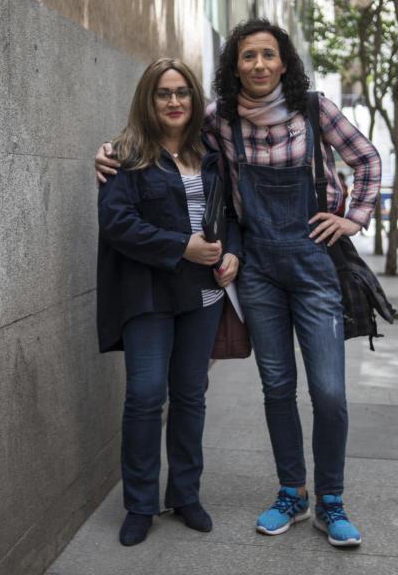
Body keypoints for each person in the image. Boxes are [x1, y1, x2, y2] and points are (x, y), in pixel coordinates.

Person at [97, 19, 382, 548]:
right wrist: (110, 151)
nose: (258, 66)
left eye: (267, 55)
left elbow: (366, 159)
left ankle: (332, 501)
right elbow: (161, 130)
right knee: (276, 388)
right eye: (247, 56)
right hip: (258, 275)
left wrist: (354, 218)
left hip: (313, 267)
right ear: (234, 65)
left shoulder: (315, 110)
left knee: (329, 392)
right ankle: (292, 494)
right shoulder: (219, 120)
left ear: (283, 61)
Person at [96, 58, 242, 546]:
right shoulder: (126, 155)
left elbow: (233, 217)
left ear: (194, 99)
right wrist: (182, 246)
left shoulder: (213, 155)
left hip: (203, 295)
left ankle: (185, 494)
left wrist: (231, 256)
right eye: (164, 93)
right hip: (150, 295)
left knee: (190, 396)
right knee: (144, 397)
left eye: (182, 92)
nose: (174, 101)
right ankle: (140, 503)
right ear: (149, 99)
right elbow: (117, 223)